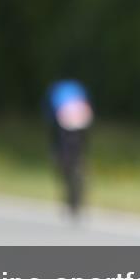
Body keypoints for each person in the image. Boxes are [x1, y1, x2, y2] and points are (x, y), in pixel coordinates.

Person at [44, 79, 94, 217]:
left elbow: (50, 117)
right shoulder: (78, 89)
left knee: (64, 160)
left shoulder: (56, 90)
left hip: (65, 124)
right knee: (78, 155)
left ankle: (73, 171)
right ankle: (80, 166)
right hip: (81, 123)